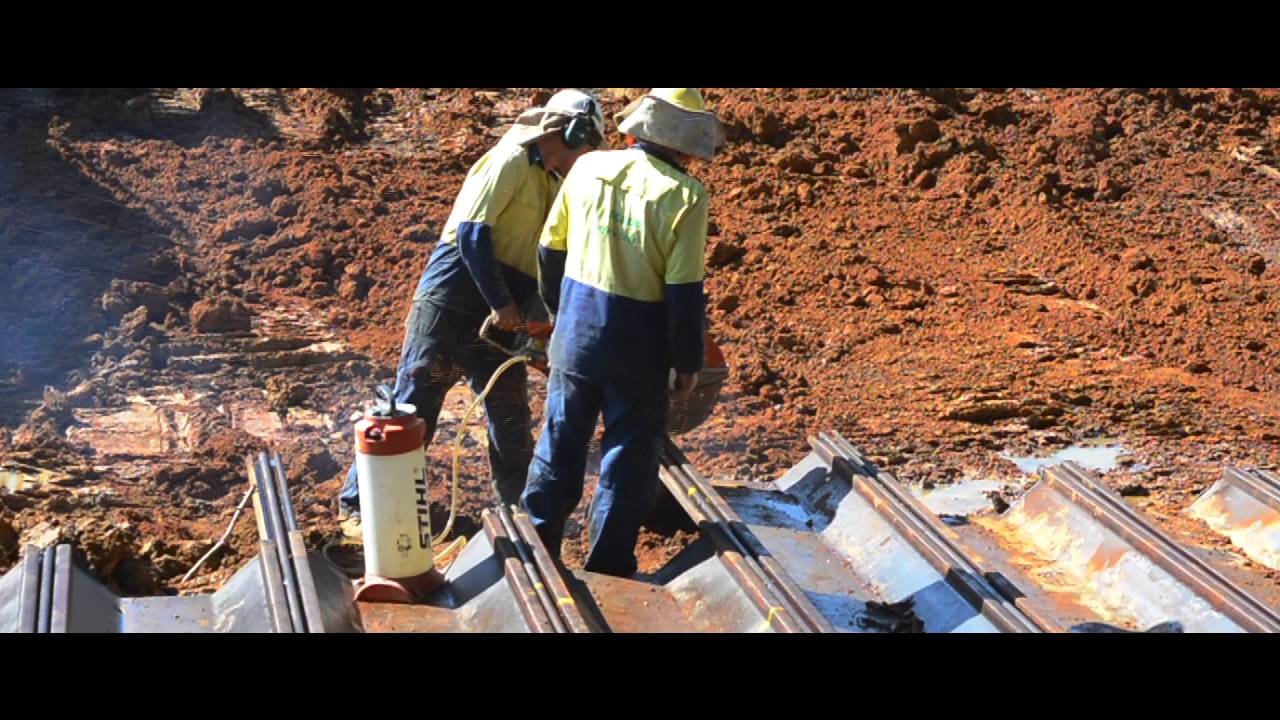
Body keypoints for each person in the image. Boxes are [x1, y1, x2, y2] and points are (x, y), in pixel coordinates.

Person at [338, 90, 606, 532]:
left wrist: (538, 315)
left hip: (502, 312)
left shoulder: (555, 185)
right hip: (452, 297)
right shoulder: (509, 160)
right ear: (569, 132)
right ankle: (358, 509)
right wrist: (501, 302)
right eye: (584, 149)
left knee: (510, 415)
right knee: (414, 405)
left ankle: (519, 512)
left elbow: (544, 260)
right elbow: (472, 234)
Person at [521, 88, 724, 576]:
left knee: (560, 441)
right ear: (684, 145)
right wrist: (688, 364)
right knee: (628, 455)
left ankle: (538, 552)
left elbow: (550, 253)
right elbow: (683, 295)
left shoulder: (588, 168)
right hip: (638, 346)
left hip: (576, 331)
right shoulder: (687, 197)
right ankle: (608, 567)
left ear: (637, 129)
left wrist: (559, 317)